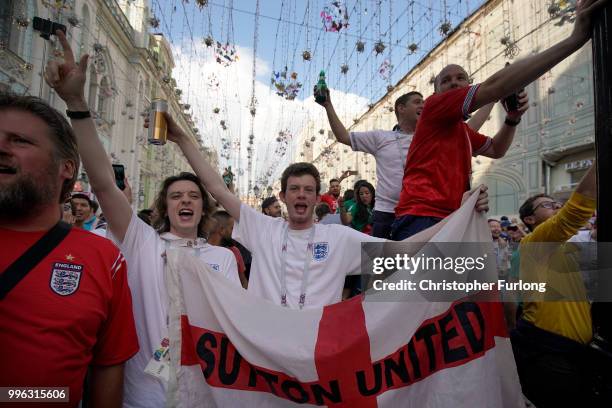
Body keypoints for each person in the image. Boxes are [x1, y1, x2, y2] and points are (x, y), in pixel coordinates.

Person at [43, 30, 241, 408]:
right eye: (176, 196)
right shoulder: (143, 242)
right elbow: (102, 182)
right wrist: (76, 103)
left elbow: (233, 324)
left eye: (194, 197)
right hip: (143, 395)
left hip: (204, 395)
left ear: (203, 209)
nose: (185, 201)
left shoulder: (222, 259)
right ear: (164, 208)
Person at [142, 97, 491, 309]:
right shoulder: (262, 228)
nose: (302, 196)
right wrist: (182, 139)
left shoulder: (338, 238)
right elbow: (216, 187)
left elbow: (402, 251)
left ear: (316, 197)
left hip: (317, 349)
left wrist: (458, 215)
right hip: (262, 345)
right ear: (283, 196)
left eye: (309, 190)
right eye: (294, 189)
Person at [0, 92, 139, 406]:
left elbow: (107, 368)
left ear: (66, 167)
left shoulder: (103, 258)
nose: (1, 147)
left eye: (19, 140)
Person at [318, 89, 494, 238]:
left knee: (418, 272)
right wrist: (328, 106)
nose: (423, 106)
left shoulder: (434, 137)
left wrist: (491, 98)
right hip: (386, 214)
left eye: (424, 102)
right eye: (417, 102)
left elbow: (468, 129)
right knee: (381, 271)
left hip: (421, 215)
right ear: (400, 108)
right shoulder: (381, 137)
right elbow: (343, 137)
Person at [512, 161, 602, 406]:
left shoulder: (568, 248)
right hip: (548, 354)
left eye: (556, 203)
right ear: (530, 219)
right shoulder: (534, 243)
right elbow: (575, 211)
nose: (556, 206)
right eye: (548, 205)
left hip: (573, 354)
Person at [208, 210, 249, 288]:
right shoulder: (200, 252)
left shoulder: (235, 251)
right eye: (232, 228)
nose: (235, 233)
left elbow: (243, 281)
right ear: (221, 230)